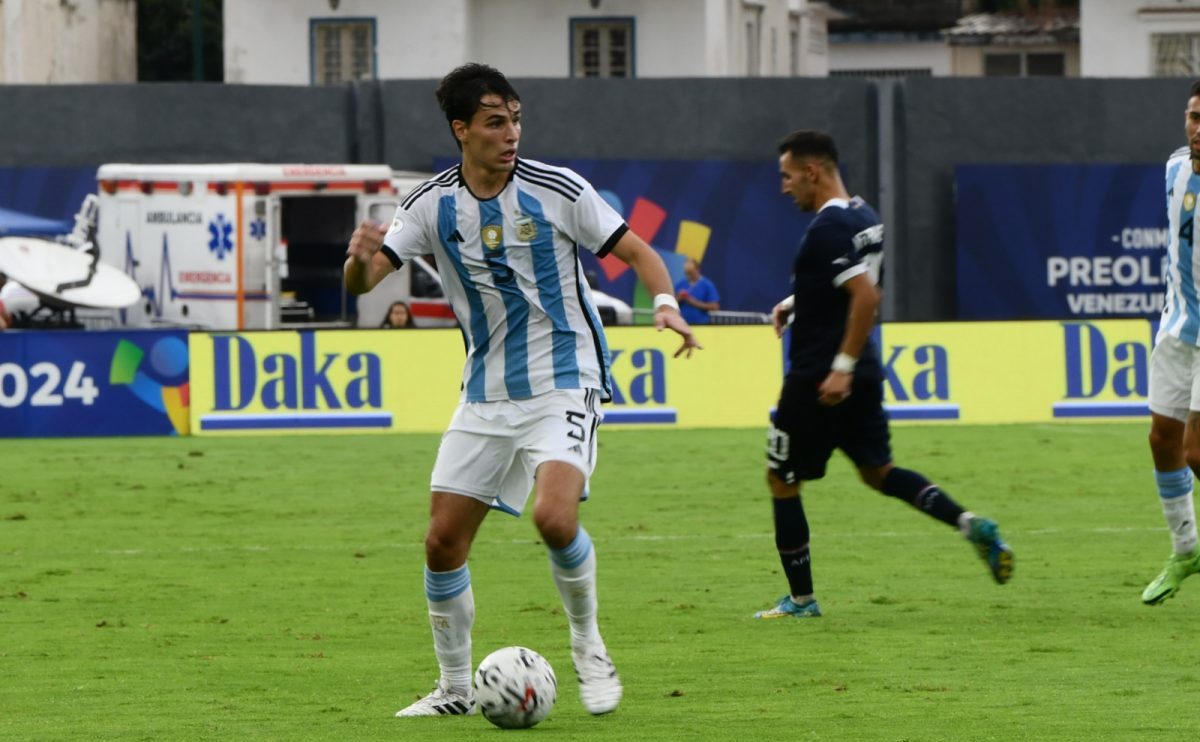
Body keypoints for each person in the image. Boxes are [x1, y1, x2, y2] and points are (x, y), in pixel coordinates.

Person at [344, 63, 700, 717]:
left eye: (515, 119)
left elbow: (643, 255)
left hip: (565, 379)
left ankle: (589, 647)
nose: (511, 134)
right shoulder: (429, 206)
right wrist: (355, 260)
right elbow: (365, 284)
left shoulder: (557, 189)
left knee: (554, 518)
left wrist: (666, 304)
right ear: (461, 130)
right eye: (495, 122)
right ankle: (454, 689)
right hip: (484, 391)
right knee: (441, 542)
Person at [754, 129, 1013, 620]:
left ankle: (802, 601)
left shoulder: (824, 230)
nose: (784, 187)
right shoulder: (865, 216)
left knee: (781, 477)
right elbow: (861, 284)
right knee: (879, 473)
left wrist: (839, 369)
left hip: (821, 378)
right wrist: (796, 303)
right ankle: (968, 523)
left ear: (812, 172)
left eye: (788, 177)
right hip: (863, 371)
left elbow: (866, 298)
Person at [1141, 80, 1200, 606]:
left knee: (1195, 449)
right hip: (1179, 324)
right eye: (1194, 116)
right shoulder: (1174, 168)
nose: (1199, 130)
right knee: (1162, 439)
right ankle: (1187, 550)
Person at [674, 258, 720, 325]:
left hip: (701, 325)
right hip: (682, 324)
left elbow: (715, 307)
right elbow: (671, 303)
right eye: (686, 273)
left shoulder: (707, 285)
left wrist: (694, 302)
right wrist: (679, 298)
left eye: (690, 273)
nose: (688, 276)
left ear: (697, 270)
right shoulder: (680, 284)